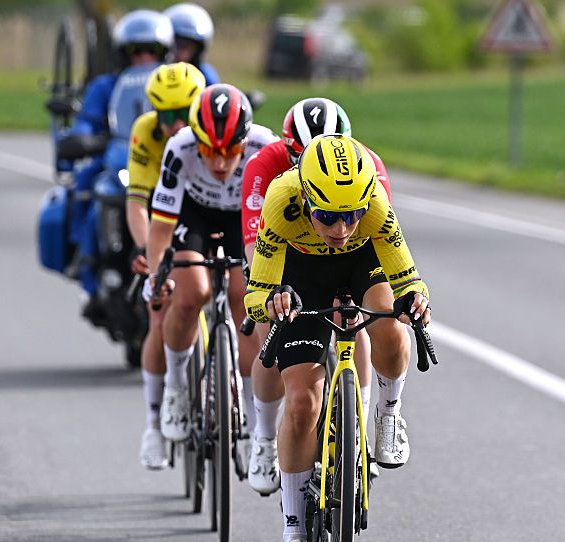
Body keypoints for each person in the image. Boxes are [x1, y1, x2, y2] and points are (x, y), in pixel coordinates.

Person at [243, 134, 430, 542]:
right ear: (306, 200)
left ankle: (388, 415)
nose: (341, 227)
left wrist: (416, 300)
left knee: (392, 326)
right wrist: (271, 304)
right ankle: (293, 534)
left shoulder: (376, 206)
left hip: (359, 266)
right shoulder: (281, 200)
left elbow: (407, 276)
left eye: (352, 215)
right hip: (300, 272)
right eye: (328, 216)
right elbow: (255, 296)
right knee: (303, 402)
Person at [239, 98, 392, 496]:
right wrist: (266, 294)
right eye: (298, 154)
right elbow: (256, 242)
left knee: (359, 318)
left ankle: (358, 428)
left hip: (350, 254)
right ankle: (263, 438)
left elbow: (382, 239)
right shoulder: (269, 170)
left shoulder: (368, 167)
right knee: (270, 336)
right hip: (290, 253)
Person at [146, 84, 278, 452]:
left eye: (230, 151)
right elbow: (160, 228)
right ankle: (175, 385)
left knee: (245, 302)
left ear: (245, 141)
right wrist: (157, 277)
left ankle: (256, 425)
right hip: (195, 216)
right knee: (191, 294)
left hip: (243, 218)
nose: (220, 164)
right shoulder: (179, 148)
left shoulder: (264, 146)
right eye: (209, 151)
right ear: (195, 141)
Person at [125, 62, 207, 469]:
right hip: (164, 224)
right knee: (160, 312)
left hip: (210, 218)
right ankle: (154, 423)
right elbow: (138, 202)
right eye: (166, 115)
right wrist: (147, 252)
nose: (175, 125)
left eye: (184, 114)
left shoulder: (213, 127)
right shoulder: (145, 132)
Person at [78, 9, 174, 324]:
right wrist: (81, 139)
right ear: (123, 54)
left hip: (162, 164)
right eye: (136, 51)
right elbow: (87, 122)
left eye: (153, 50)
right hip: (119, 159)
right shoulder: (105, 86)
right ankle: (89, 270)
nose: (144, 57)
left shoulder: (178, 82)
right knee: (86, 190)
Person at [164, 3, 221, 85]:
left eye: (186, 46)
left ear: (197, 49)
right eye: (176, 44)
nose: (180, 51)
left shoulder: (205, 76)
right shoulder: (154, 72)